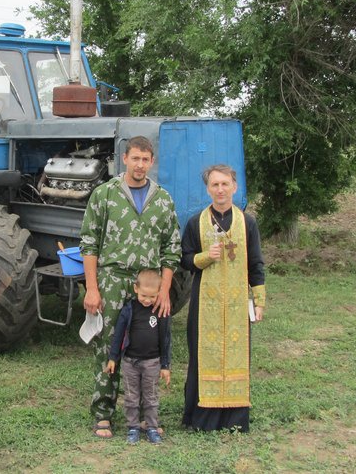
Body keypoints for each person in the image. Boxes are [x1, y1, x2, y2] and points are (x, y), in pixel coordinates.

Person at [79, 135, 181, 439]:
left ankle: (145, 416)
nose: (140, 165)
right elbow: (89, 243)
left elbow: (171, 249)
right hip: (112, 279)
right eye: (135, 158)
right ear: (125, 159)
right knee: (108, 343)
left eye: (145, 159)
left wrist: (164, 290)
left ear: (151, 162)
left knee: (147, 347)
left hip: (148, 286)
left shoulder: (162, 199)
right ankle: (103, 413)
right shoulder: (105, 194)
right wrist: (92, 288)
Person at [180, 163, 266, 433]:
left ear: (234, 187)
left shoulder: (247, 222)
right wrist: (206, 257)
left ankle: (234, 420)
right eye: (215, 185)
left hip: (238, 304)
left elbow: (256, 263)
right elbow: (184, 260)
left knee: (236, 356)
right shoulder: (196, 222)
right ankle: (202, 418)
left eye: (225, 184)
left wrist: (259, 301)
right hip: (205, 305)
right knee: (201, 356)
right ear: (208, 189)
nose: (220, 189)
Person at [106, 269, 171, 445]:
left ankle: (151, 427)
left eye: (152, 296)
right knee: (131, 396)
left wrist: (165, 366)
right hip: (129, 362)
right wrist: (113, 358)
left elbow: (165, 339)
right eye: (144, 295)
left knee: (151, 397)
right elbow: (119, 334)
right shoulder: (129, 309)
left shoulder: (160, 311)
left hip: (152, 362)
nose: (147, 300)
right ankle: (133, 427)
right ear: (136, 289)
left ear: (159, 293)